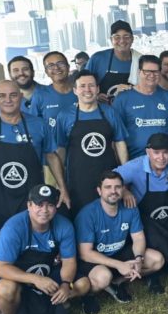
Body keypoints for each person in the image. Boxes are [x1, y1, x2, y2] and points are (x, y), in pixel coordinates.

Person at [0, 184, 87, 314]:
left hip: (48, 272)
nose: (44, 210)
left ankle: (56, 300)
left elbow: (69, 261)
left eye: (50, 205)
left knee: (84, 284)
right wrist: (35, 279)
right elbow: (0, 267)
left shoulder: (64, 226)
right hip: (20, 278)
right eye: (39, 204)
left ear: (56, 207)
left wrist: (66, 284)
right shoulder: (12, 228)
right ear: (29, 205)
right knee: (5, 289)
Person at [0, 79, 67, 232]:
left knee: (34, 236)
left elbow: (51, 155)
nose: (8, 100)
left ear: (21, 96)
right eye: (2, 96)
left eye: (13, 95)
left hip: (34, 201)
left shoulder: (39, 124)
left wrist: (62, 188)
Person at [75, 170, 165, 303]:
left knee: (157, 260)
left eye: (117, 187)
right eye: (108, 187)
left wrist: (139, 259)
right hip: (96, 259)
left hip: (119, 252)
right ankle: (89, 295)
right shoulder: (87, 214)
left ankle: (118, 282)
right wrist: (119, 265)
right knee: (103, 277)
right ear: (99, 191)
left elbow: (138, 238)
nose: (113, 191)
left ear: (123, 189)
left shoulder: (130, 208)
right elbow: (85, 253)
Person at [117, 133, 168, 275]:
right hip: (146, 219)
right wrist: (124, 191)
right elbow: (110, 179)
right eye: (156, 153)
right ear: (148, 152)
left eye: (165, 152)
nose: (161, 157)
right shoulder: (136, 166)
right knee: (158, 244)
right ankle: (154, 272)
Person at [55, 71, 129, 213]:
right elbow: (60, 150)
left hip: (109, 180)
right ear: (75, 90)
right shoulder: (65, 116)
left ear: (98, 88)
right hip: (78, 180)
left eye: (91, 85)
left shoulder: (110, 112)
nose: (87, 90)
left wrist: (125, 176)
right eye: (82, 86)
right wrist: (61, 184)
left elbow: (120, 143)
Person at [112, 54, 168, 159]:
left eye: (155, 72)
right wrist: (124, 165)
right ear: (139, 72)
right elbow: (117, 136)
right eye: (147, 71)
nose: (152, 75)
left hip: (164, 160)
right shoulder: (123, 99)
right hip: (135, 160)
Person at [86, 21, 140, 98]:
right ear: (111, 40)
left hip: (133, 104)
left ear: (132, 39)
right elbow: (83, 84)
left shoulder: (140, 60)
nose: (122, 41)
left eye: (126, 37)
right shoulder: (98, 59)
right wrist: (95, 96)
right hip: (104, 105)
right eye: (117, 37)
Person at [32, 51, 78, 129]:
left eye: (60, 63)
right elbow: (33, 125)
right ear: (46, 72)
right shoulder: (40, 96)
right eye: (51, 66)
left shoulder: (82, 92)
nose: (56, 68)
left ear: (68, 67)